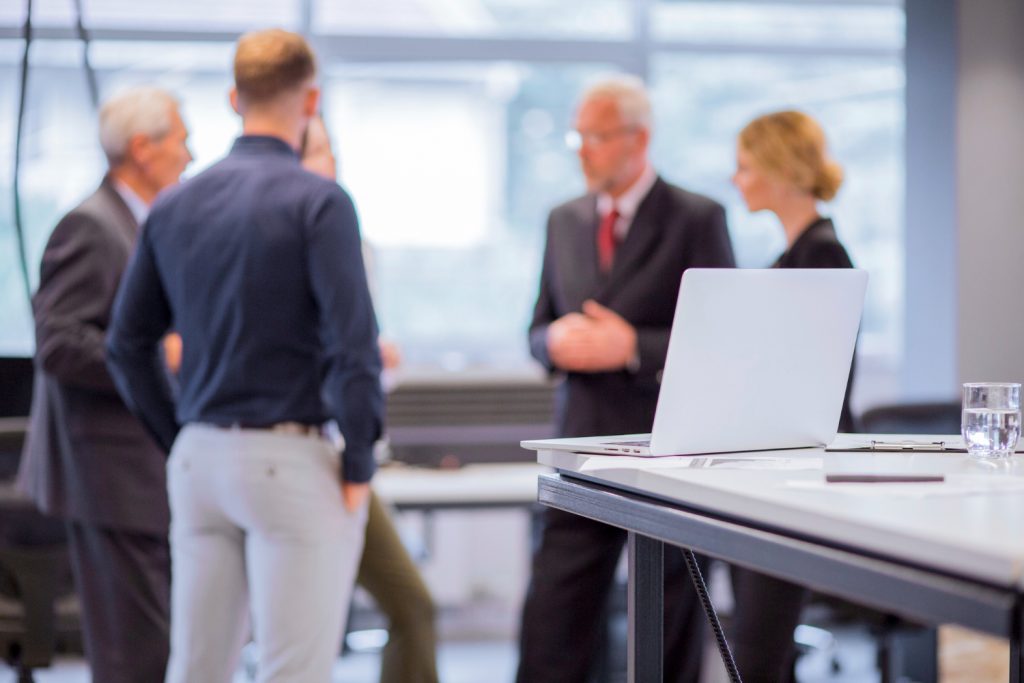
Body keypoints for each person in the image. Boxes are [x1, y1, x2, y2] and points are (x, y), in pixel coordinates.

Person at [106, 29, 383, 682]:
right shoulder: (319, 202)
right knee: (293, 669)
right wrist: (362, 459)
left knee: (197, 667)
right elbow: (354, 347)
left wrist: (178, 434)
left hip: (201, 462)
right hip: (288, 461)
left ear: (234, 98)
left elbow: (125, 343)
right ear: (310, 100)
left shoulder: (173, 204)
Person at [517, 75, 735, 683]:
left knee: (666, 618)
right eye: (578, 135)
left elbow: (722, 339)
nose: (582, 148)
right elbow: (537, 327)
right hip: (580, 447)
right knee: (553, 614)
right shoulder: (563, 219)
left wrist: (632, 347)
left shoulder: (696, 217)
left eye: (596, 135)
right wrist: (552, 342)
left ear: (639, 139)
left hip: (667, 448)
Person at [17, 86, 191, 683]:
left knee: (152, 648)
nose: (189, 157)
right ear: (142, 148)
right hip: (108, 477)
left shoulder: (140, 225)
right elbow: (58, 343)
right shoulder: (91, 227)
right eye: (182, 141)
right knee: (132, 657)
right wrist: (151, 355)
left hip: (137, 476)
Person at [303, 114, 439, 683]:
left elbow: (354, 351)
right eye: (313, 151)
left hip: (339, 453)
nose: (324, 165)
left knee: (409, 607)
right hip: (305, 456)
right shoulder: (261, 239)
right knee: (307, 636)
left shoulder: (350, 243)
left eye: (327, 151)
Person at [729, 108, 855, 682]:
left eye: (745, 166)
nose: (737, 180)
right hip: (777, 472)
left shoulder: (820, 256)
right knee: (757, 649)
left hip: (796, 478)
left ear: (779, 170)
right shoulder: (791, 256)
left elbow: (812, 383)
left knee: (758, 652)